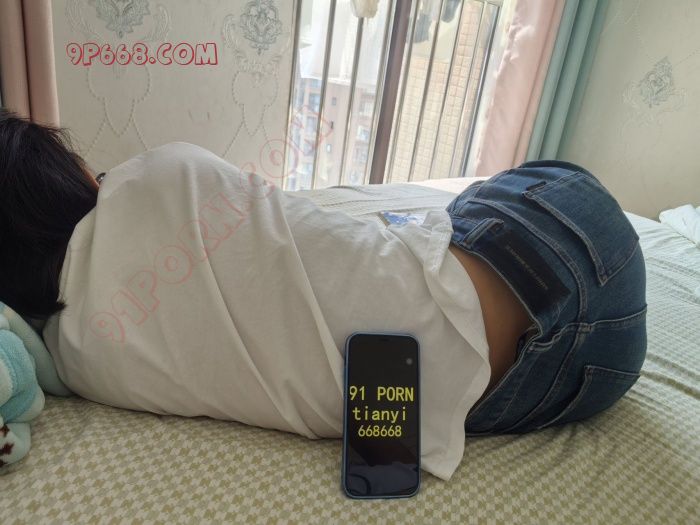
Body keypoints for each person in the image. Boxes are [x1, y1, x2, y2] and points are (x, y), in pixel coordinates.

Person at [0, 110, 646, 480]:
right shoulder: (159, 174)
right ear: (68, 173)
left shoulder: (78, 367)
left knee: (427, 228)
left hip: (549, 389)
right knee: (521, 183)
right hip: (570, 254)